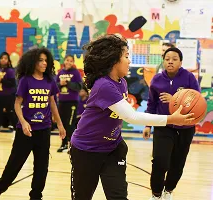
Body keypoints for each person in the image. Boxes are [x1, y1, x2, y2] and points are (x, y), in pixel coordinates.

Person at [70, 34, 195, 200]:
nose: (129, 61)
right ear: (114, 60)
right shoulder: (104, 85)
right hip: (86, 150)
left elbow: (127, 112)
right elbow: (132, 117)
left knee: (119, 196)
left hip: (112, 148)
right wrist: (171, 119)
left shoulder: (121, 81)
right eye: (126, 56)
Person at [0, 47, 66, 200]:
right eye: (40, 60)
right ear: (33, 62)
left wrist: (60, 125)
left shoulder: (49, 80)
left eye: (45, 60)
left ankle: (36, 196)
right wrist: (23, 122)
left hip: (44, 130)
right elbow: (17, 104)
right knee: (14, 164)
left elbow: (53, 103)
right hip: (26, 131)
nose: (44, 63)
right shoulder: (25, 80)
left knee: (42, 167)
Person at [143, 47, 200, 200]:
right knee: (160, 160)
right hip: (164, 125)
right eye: (167, 59)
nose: (170, 61)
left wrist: (175, 98)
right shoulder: (156, 80)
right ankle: (156, 194)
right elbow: (151, 104)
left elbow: (197, 99)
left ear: (180, 62)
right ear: (163, 61)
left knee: (178, 162)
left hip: (186, 127)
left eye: (174, 59)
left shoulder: (189, 78)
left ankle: (168, 190)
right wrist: (148, 125)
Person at [56, 54, 82, 153]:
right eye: (67, 60)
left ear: (73, 63)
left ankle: (71, 145)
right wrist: (60, 84)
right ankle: (63, 144)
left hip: (72, 102)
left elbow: (79, 87)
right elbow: (54, 86)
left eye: (71, 61)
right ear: (64, 61)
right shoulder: (60, 72)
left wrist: (68, 83)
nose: (69, 62)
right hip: (62, 101)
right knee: (62, 124)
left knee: (70, 124)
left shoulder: (76, 73)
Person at [0, 52, 17, 141]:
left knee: (12, 114)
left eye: (5, 58)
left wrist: (2, 80)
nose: (3, 60)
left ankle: (16, 133)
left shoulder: (11, 71)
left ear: (8, 60)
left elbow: (12, 84)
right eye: (1, 58)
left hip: (9, 96)